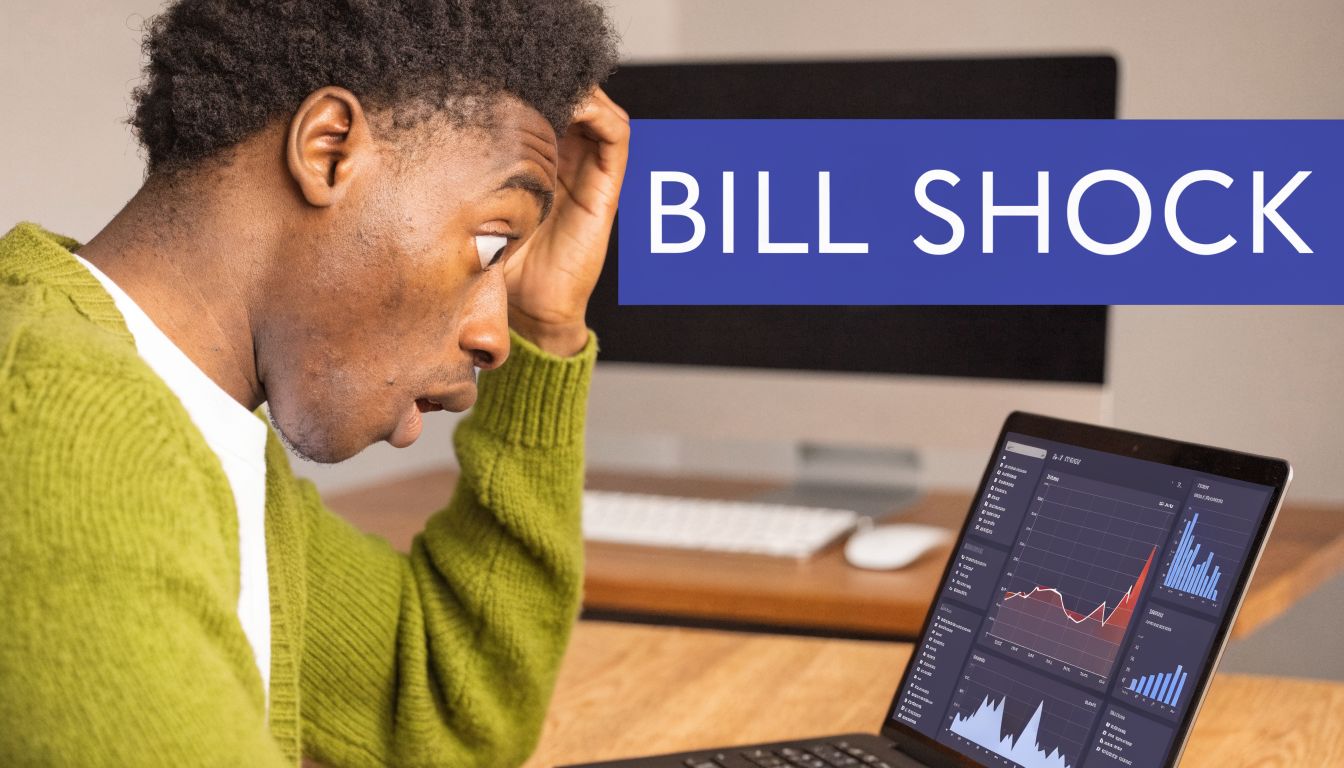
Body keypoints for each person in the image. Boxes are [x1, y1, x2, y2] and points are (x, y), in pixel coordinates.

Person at [0, 0, 627, 765]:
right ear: (329, 148)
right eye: (493, 241)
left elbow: (446, 702)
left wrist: (547, 326)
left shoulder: (190, 423)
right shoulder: (70, 432)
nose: (493, 340)